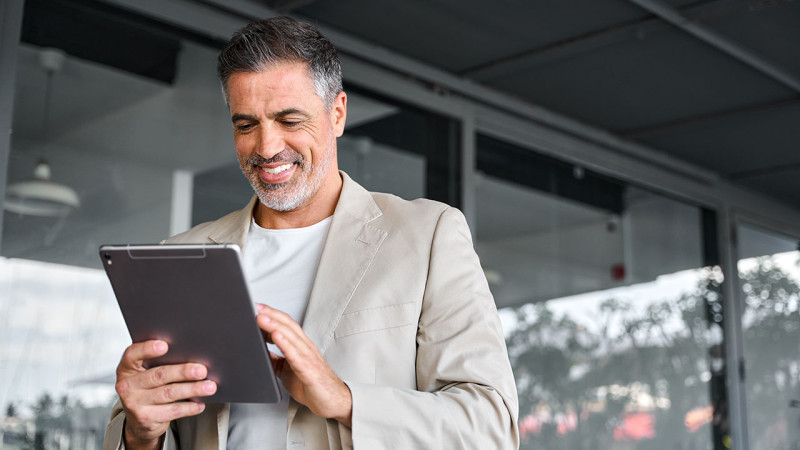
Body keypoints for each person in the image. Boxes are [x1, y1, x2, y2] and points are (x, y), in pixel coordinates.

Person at [104, 16, 518, 450]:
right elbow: (153, 426)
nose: (266, 147)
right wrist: (139, 433)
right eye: (246, 125)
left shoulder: (428, 236)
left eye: (288, 120)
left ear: (337, 113)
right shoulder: (181, 255)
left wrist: (345, 400)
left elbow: (490, 428)